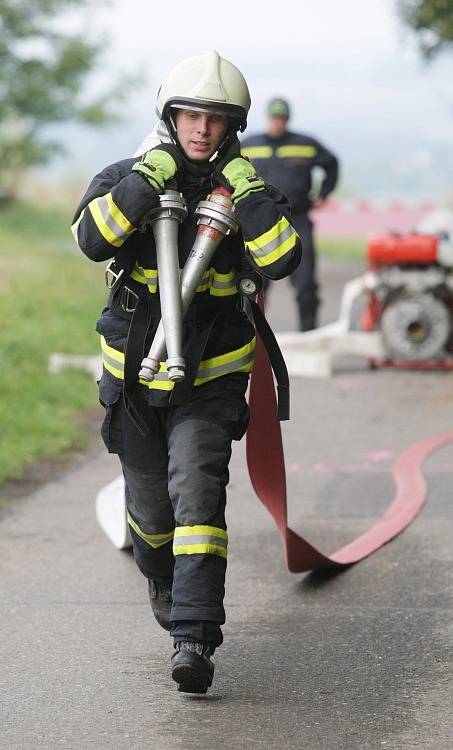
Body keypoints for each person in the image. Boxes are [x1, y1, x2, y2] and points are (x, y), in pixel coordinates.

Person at [71, 51, 301, 694]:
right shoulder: (127, 175)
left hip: (211, 377)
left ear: (234, 127)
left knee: (199, 498)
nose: (202, 130)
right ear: (171, 117)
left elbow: (282, 258)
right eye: (191, 116)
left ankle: (194, 637)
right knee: (151, 521)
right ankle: (167, 587)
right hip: (134, 381)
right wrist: (149, 180)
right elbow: (93, 240)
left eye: (216, 120)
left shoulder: (248, 190)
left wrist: (248, 193)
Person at [241, 97, 339, 331]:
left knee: (306, 286)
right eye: (275, 118)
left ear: (288, 119)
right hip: (262, 223)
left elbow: (331, 164)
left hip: (299, 220)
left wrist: (323, 193)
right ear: (268, 118)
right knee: (254, 284)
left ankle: (309, 335)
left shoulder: (305, 144)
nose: (278, 123)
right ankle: (251, 337)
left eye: (282, 118)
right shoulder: (249, 144)